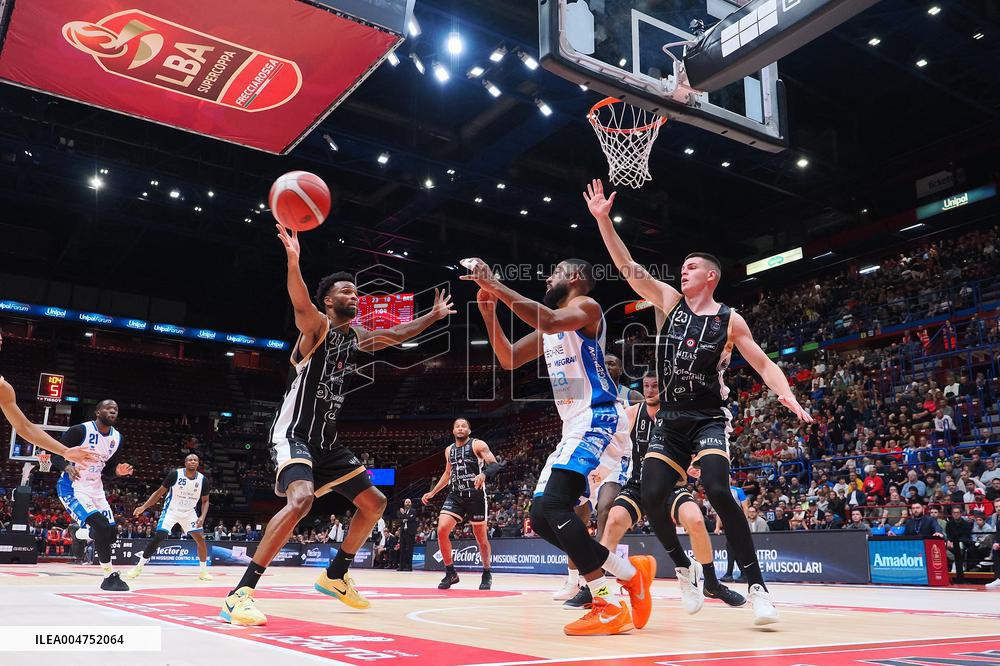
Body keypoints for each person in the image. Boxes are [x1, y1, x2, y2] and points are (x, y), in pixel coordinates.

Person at [585, 178, 813, 625]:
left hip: (708, 417)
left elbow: (763, 363)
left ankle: (758, 588)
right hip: (670, 419)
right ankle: (685, 568)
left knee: (717, 489)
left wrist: (786, 393)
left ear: (711, 276)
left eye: (691, 267)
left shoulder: (731, 320)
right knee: (652, 495)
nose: (682, 271)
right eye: (682, 267)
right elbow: (628, 266)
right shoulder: (669, 301)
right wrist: (603, 221)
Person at [220, 225, 455, 627]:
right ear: (328, 301)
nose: (354, 296)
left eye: (356, 292)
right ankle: (239, 593)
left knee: (375, 503)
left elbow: (394, 334)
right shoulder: (317, 327)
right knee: (301, 500)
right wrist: (293, 260)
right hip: (293, 433)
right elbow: (299, 302)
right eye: (346, 292)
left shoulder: (355, 337)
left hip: (326, 442)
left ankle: (335, 575)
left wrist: (432, 317)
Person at [467, 257, 654, 636]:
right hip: (574, 425)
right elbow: (509, 358)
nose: (548, 280)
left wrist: (496, 285)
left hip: (598, 417)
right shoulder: (549, 329)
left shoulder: (586, 307)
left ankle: (606, 603)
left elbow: (551, 320)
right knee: (540, 517)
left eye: (554, 273)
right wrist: (489, 313)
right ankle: (630, 573)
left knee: (555, 505)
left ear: (574, 277)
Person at [583, 372, 744, 612]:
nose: (649, 391)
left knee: (696, 520)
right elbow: (610, 442)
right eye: (646, 386)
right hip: (638, 485)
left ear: (666, 387)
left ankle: (711, 583)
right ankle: (595, 590)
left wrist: (696, 462)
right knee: (613, 520)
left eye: (655, 386)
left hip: (672, 485)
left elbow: (698, 446)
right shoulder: (632, 413)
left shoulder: (679, 413)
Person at [48, 399, 133, 591]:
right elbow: (55, 455)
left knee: (111, 535)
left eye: (115, 409)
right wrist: (67, 466)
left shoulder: (117, 438)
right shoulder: (79, 431)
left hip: (96, 489)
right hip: (73, 488)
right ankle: (108, 576)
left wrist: (117, 472)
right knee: (101, 527)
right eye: (108, 408)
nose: (112, 411)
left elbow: (108, 471)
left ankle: (79, 533)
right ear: (97, 412)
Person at [422, 418, 500, 590]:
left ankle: (486, 572)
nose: (460, 428)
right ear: (453, 431)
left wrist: (483, 475)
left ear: (469, 431)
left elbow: (494, 465)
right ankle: (451, 573)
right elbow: (447, 473)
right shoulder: (448, 450)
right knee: (441, 530)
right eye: (457, 426)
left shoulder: (477, 445)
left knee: (481, 538)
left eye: (464, 426)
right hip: (455, 496)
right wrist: (433, 492)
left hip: (476, 496)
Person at [126, 453, 212, 581]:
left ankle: (203, 572)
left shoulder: (203, 480)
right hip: (171, 511)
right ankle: (138, 567)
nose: (193, 461)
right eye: (190, 460)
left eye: (195, 460)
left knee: (201, 539)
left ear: (198, 463)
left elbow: (205, 501)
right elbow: (159, 493)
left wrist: (202, 517)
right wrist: (143, 507)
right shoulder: (175, 474)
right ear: (185, 463)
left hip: (189, 512)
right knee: (160, 536)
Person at [718, 480, 750, 583]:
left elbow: (745, 506)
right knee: (733, 548)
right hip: (728, 521)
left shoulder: (738, 490)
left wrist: (745, 521)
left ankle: (730, 574)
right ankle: (743, 573)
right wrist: (717, 526)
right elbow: (719, 509)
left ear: (731, 480)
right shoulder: (721, 491)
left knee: (731, 547)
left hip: (737, 520)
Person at [397, 498, 417, 572]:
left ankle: (409, 567)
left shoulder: (413, 511)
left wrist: (404, 515)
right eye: (406, 502)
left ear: (411, 503)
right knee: (402, 550)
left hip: (410, 533)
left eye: (409, 502)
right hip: (403, 532)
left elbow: (411, 518)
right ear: (404, 503)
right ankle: (401, 567)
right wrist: (404, 519)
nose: (407, 503)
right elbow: (399, 520)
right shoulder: (400, 511)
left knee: (409, 550)